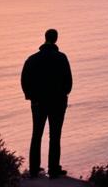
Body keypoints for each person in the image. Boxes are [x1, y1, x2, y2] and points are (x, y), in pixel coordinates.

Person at [21, 28, 72, 178]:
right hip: (57, 102)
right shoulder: (61, 58)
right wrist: (64, 94)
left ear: (45, 38)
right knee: (55, 136)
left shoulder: (32, 59)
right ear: (56, 39)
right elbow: (68, 82)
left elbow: (24, 80)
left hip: (38, 102)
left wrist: (30, 96)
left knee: (36, 134)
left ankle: (34, 169)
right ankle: (54, 168)